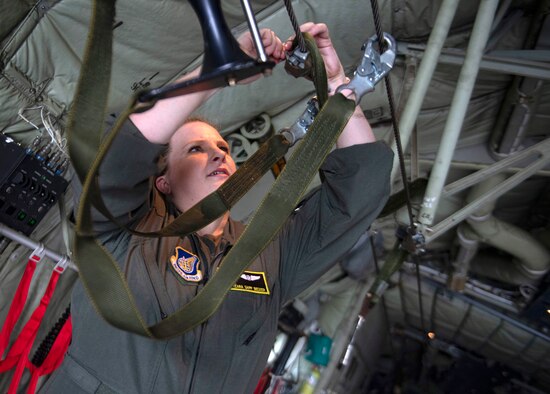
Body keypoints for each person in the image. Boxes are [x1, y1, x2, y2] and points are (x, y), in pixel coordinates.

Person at [40, 22, 393, 393]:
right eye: (196, 149)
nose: (218, 154)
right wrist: (215, 74)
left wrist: (338, 87)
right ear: (163, 181)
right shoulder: (122, 232)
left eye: (224, 148)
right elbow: (113, 159)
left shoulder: (271, 254)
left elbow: (358, 196)